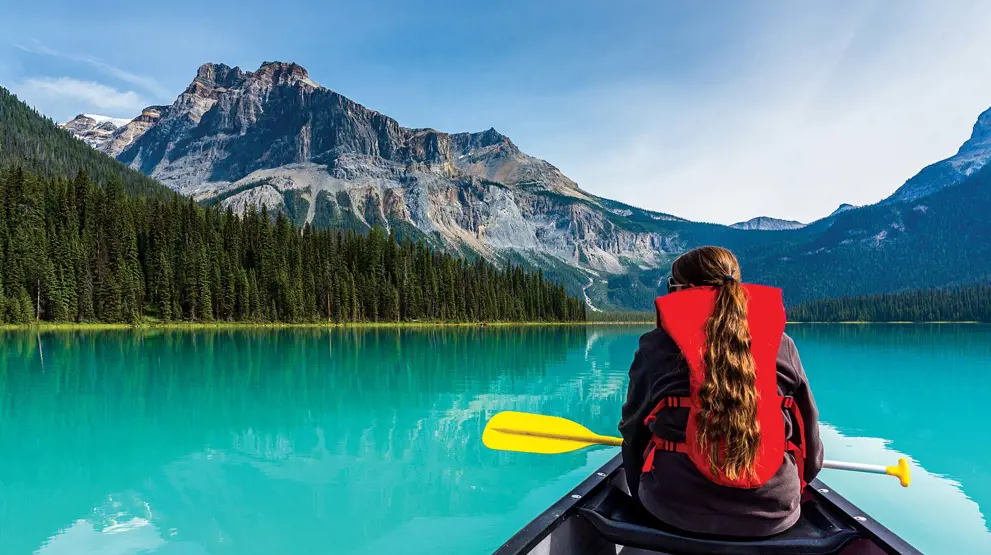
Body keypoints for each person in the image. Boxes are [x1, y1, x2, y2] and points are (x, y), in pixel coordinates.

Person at [619, 246, 823, 537]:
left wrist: (639, 491)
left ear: (685, 290)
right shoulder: (782, 345)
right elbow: (809, 437)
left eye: (671, 286)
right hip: (774, 513)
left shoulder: (656, 346)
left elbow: (633, 431)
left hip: (674, 509)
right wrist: (794, 486)